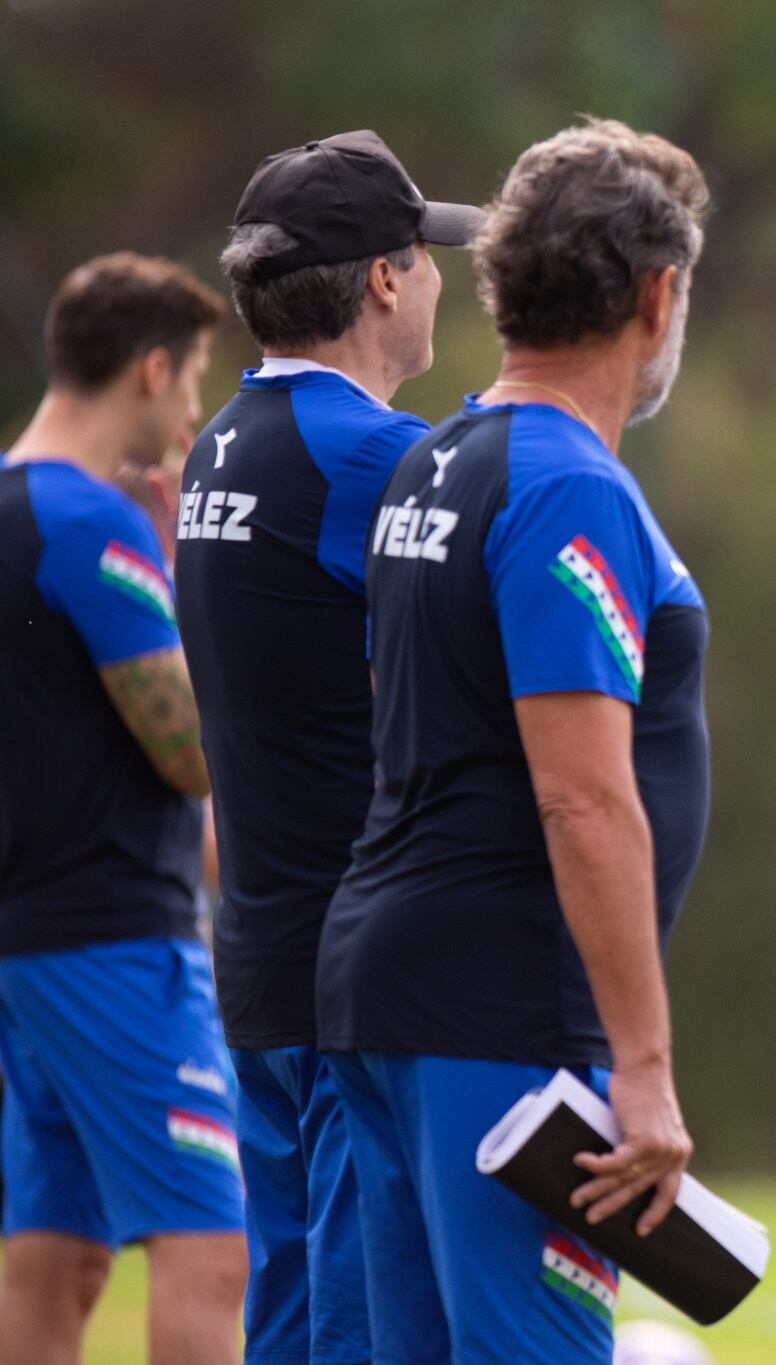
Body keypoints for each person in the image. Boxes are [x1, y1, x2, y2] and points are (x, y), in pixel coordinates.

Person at [316, 118, 712, 1363]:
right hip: (501, 1018)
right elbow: (582, 799)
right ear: (658, 295)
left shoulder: (437, 459)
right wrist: (641, 1071)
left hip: (390, 990)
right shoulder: (566, 484)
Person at [176, 130, 482, 1365]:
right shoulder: (370, 454)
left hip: (261, 951)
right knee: (364, 1332)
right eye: (429, 254)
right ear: (383, 281)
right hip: (354, 974)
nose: (442, 279)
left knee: (296, 1326)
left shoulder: (219, 442)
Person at [0, 253, 245, 1364]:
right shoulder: (93, 527)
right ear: (151, 371)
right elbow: (194, 752)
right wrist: (187, 567)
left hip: (23, 951)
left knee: (55, 1259)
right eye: (194, 380)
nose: (195, 407)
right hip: (114, 944)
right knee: (208, 1250)